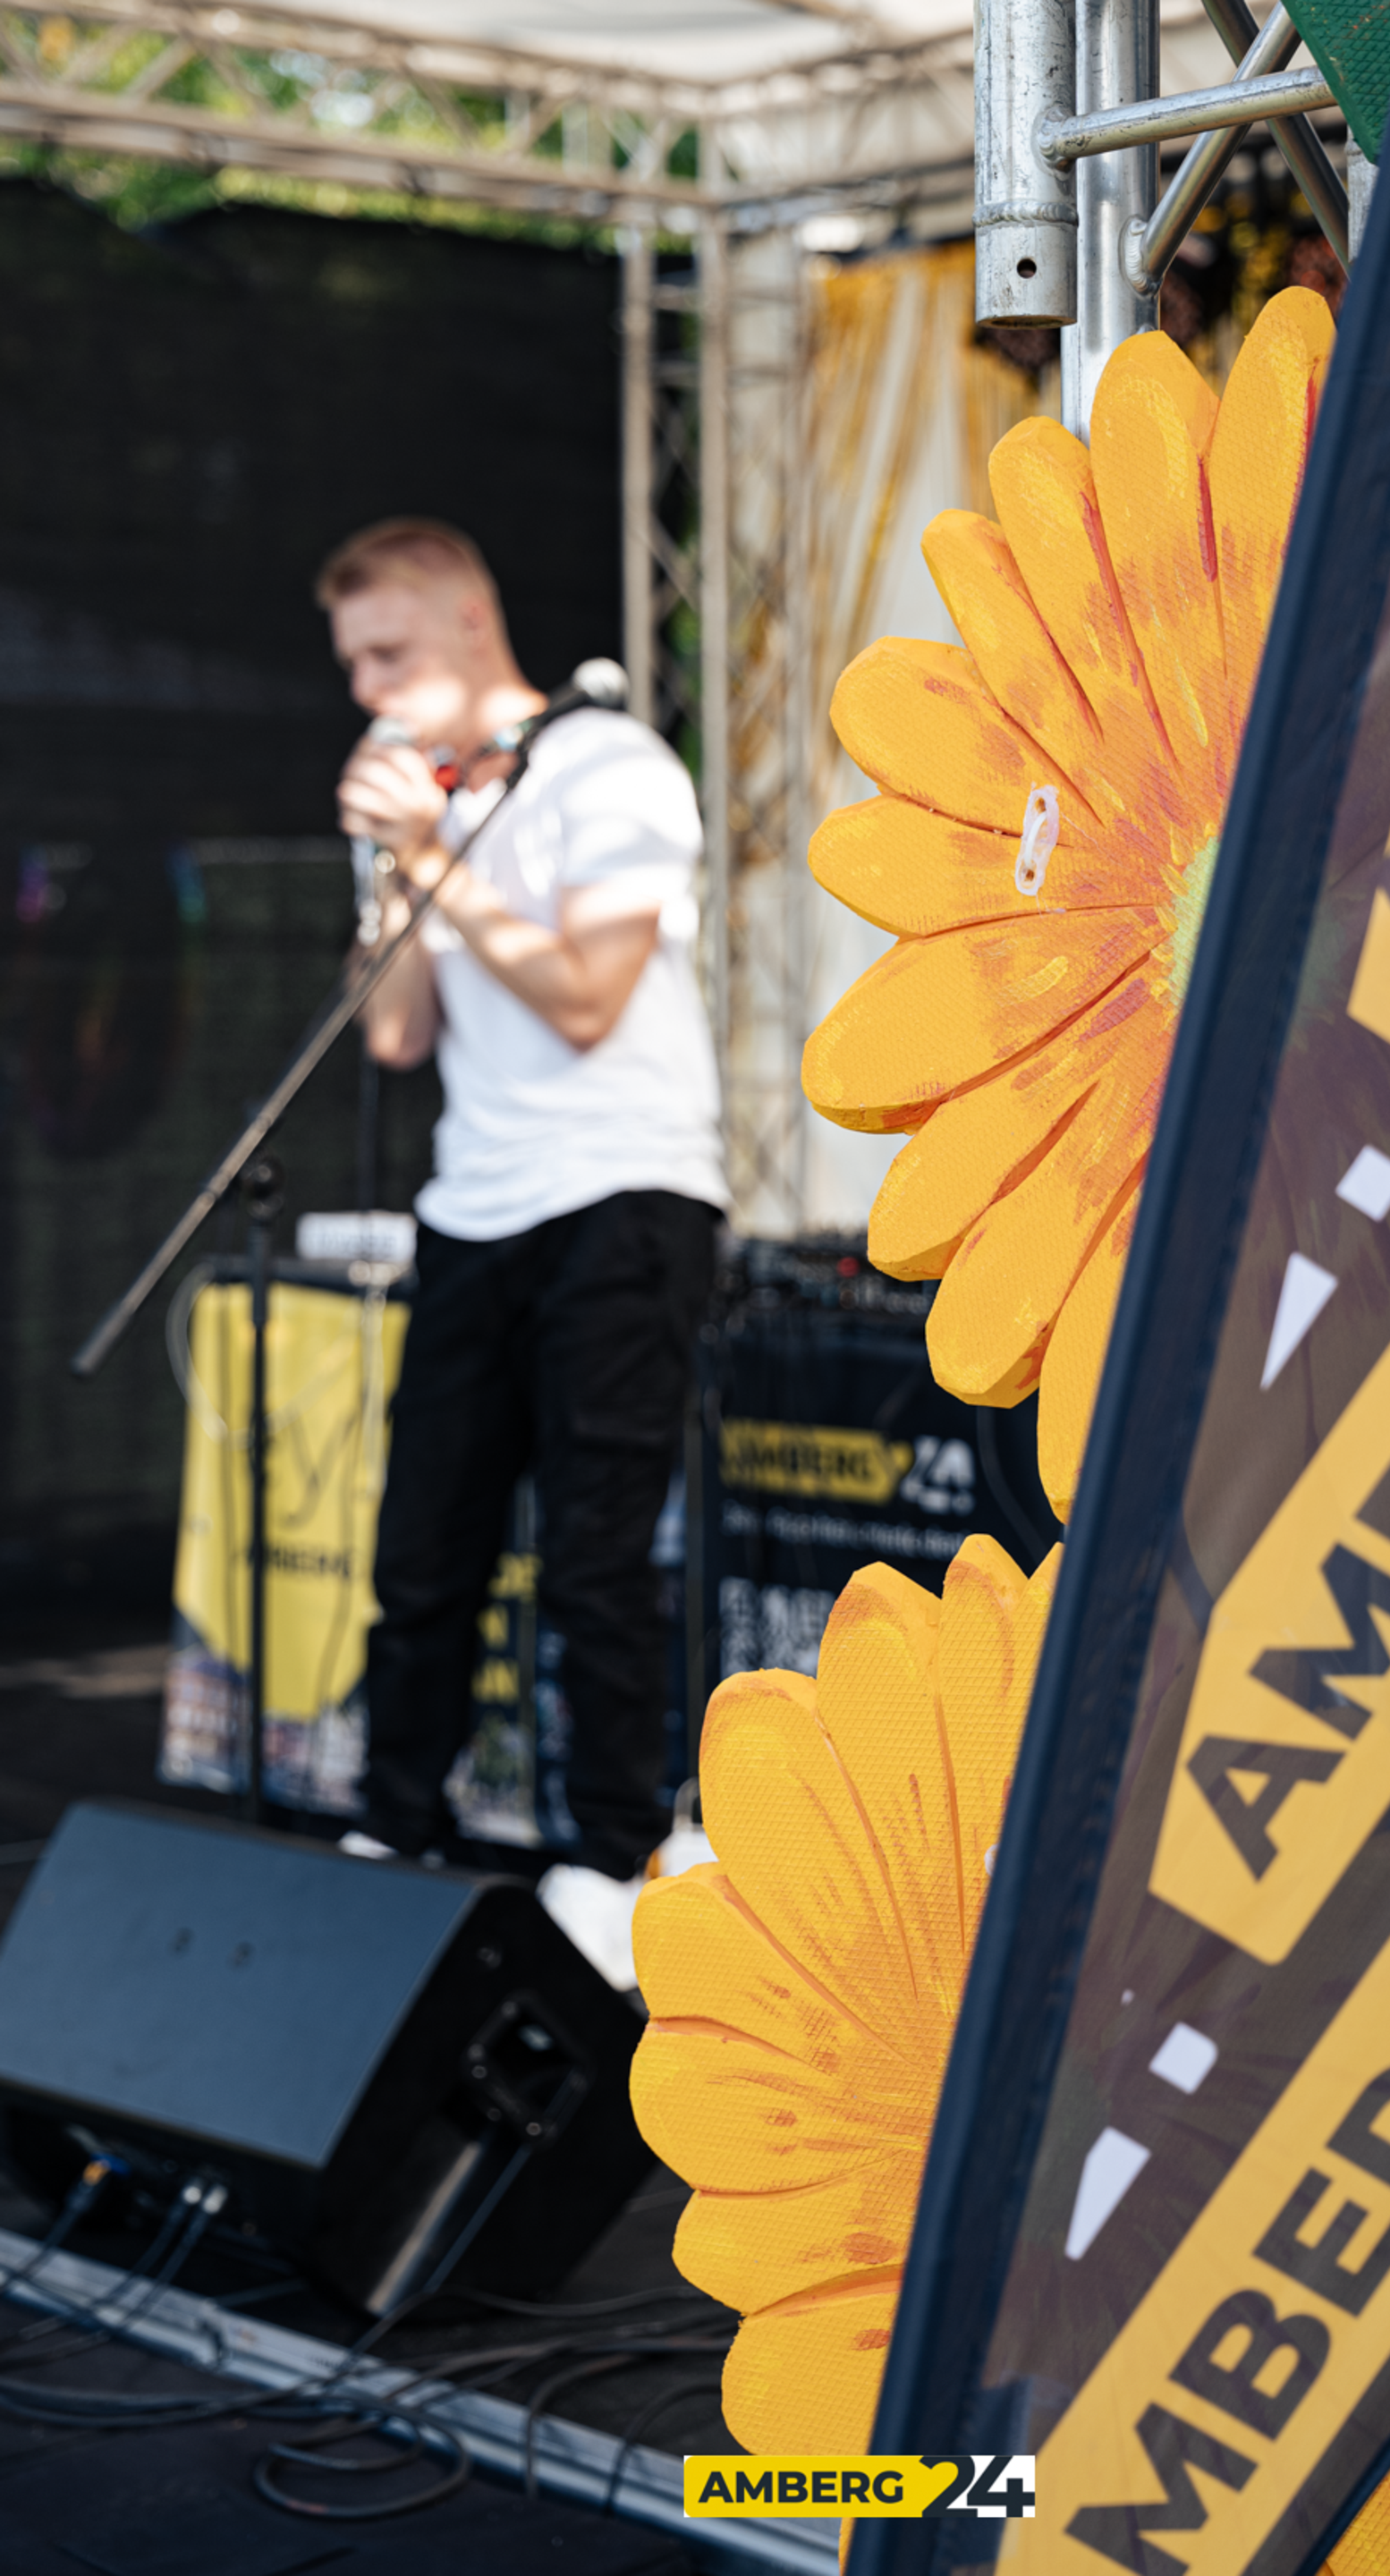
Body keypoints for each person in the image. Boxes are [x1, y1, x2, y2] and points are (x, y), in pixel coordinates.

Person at [321, 518, 724, 1987]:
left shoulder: (609, 766)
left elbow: (586, 994)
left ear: (469, 628)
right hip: (474, 1204)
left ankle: (617, 1861)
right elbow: (392, 1032)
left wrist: (441, 854)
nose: (366, 687)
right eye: (352, 663)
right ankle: (392, 1831)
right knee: (423, 1550)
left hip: (626, 1193)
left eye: (388, 654)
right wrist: (393, 871)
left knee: (597, 1557)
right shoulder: (417, 806)